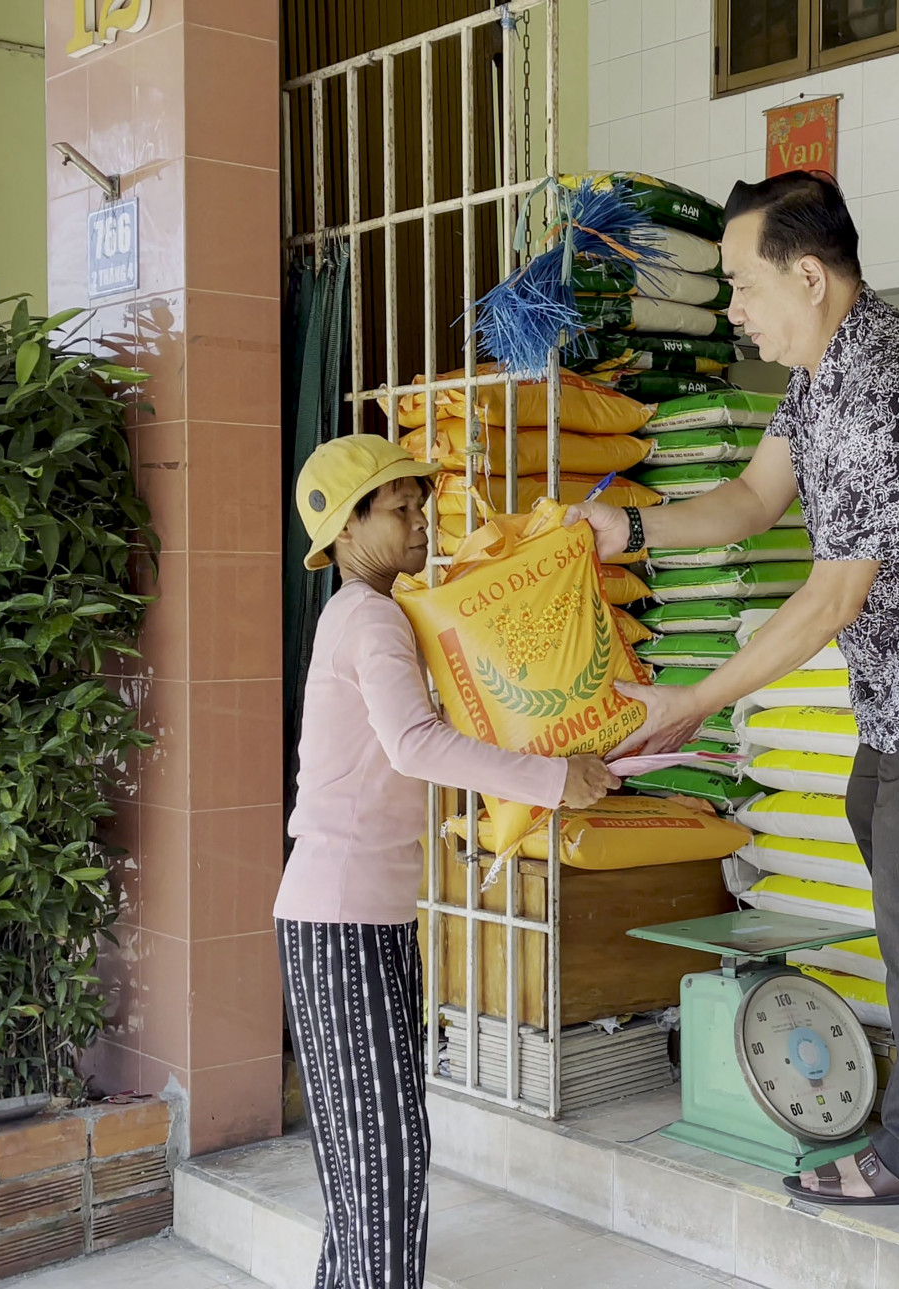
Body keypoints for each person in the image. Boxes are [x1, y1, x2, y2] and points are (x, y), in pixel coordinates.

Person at [567, 170, 899, 1207]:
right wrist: (632, 527)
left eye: (742, 283)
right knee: (873, 811)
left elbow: (830, 600)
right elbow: (748, 500)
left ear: (810, 274)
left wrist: (691, 701)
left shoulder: (881, 389)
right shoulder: (821, 372)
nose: (733, 308)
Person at [277, 434, 619, 1286]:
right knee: (383, 1162)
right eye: (401, 509)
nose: (422, 520)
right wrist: (553, 776)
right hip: (341, 923)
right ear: (349, 529)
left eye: (420, 503)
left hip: (356, 921)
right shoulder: (368, 614)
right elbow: (415, 743)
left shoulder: (364, 614)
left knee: (372, 1166)